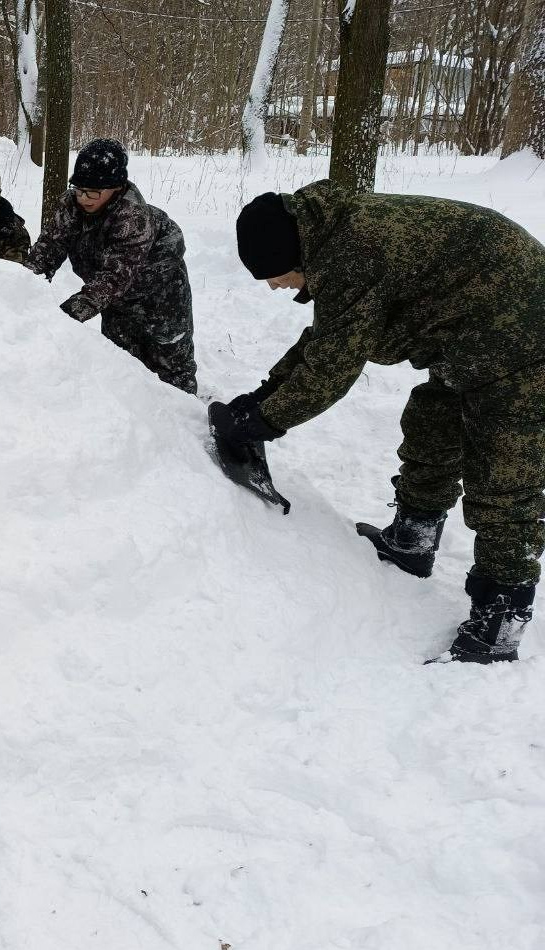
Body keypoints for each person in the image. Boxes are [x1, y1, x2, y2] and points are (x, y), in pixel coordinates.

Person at [214, 179, 545, 664]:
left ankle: (500, 619)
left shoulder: (353, 253)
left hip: (525, 335)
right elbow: (328, 339)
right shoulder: (333, 236)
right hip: (475, 330)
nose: (273, 285)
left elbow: (332, 367)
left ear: (293, 251)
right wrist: (263, 396)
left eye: (275, 273)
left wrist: (263, 422)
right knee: (432, 422)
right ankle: (413, 540)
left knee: (503, 475)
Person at [27, 138, 197, 394]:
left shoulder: (132, 215)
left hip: (159, 285)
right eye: (79, 189)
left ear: (116, 187)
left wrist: (65, 316)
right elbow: (49, 248)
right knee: (122, 363)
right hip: (113, 292)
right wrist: (20, 290)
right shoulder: (70, 205)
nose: (84, 198)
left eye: (93, 192)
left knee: (170, 359)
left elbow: (114, 277)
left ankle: (184, 421)